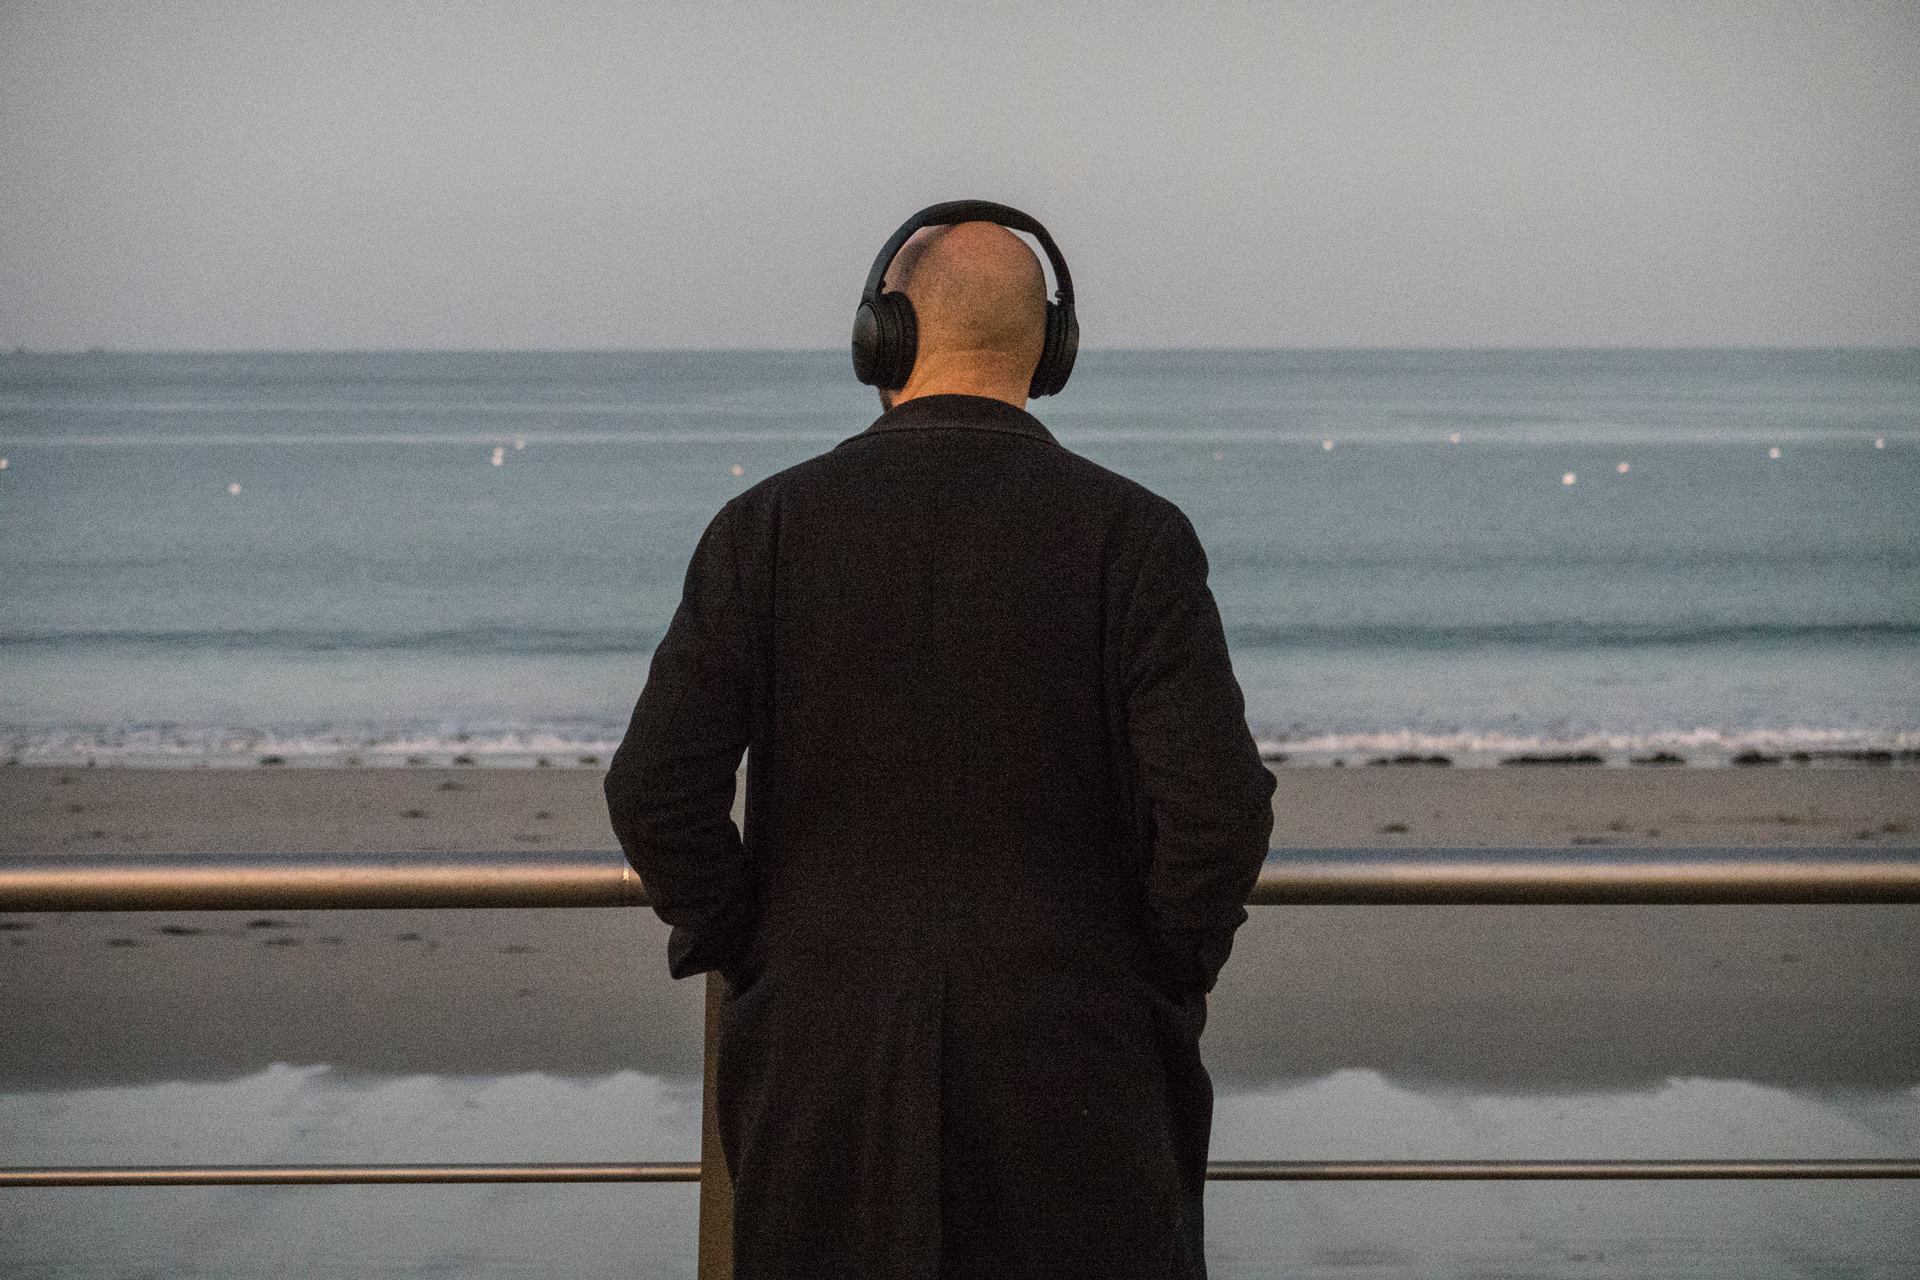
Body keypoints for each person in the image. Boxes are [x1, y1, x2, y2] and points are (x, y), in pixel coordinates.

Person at [604, 203, 1276, 1279]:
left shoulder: (764, 530)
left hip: (823, 1081)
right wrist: (1151, 967)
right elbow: (1221, 811)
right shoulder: (1137, 537)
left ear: (885, 337)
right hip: (1081, 1082)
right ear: (1049, 353)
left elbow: (654, 791)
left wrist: (759, 944)